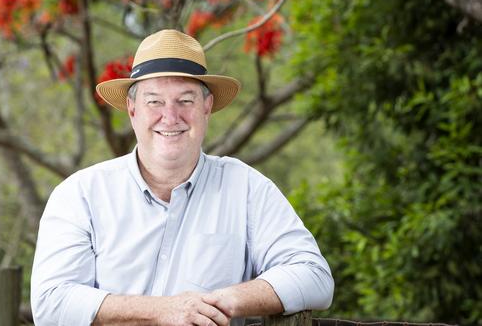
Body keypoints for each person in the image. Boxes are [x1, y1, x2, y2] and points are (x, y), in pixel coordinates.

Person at [30, 29, 334, 326]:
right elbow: (51, 302)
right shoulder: (80, 194)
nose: (171, 116)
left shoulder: (246, 188)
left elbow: (313, 275)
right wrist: (162, 311)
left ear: (207, 107)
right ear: (132, 109)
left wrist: (221, 301)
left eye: (185, 100)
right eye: (155, 101)